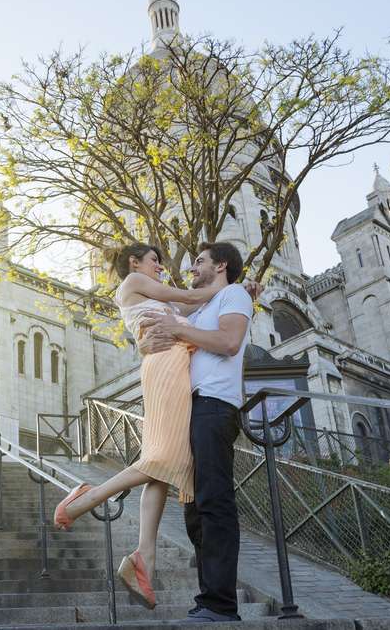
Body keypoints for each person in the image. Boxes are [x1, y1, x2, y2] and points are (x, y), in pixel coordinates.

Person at [52, 242, 232, 609]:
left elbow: (189, 305)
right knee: (164, 456)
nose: (160, 267)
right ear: (134, 262)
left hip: (173, 365)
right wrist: (233, 287)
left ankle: (143, 558)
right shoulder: (133, 281)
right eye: (155, 260)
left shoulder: (157, 300)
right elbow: (188, 295)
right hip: (166, 366)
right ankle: (82, 500)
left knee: (163, 468)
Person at [139, 241, 253, 624]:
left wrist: (179, 330)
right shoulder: (203, 305)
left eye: (199, 261)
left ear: (220, 265)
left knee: (214, 502)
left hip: (214, 407)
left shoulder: (233, 294)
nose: (192, 268)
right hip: (189, 409)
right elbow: (164, 321)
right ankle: (208, 600)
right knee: (193, 509)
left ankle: (221, 605)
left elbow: (229, 342)